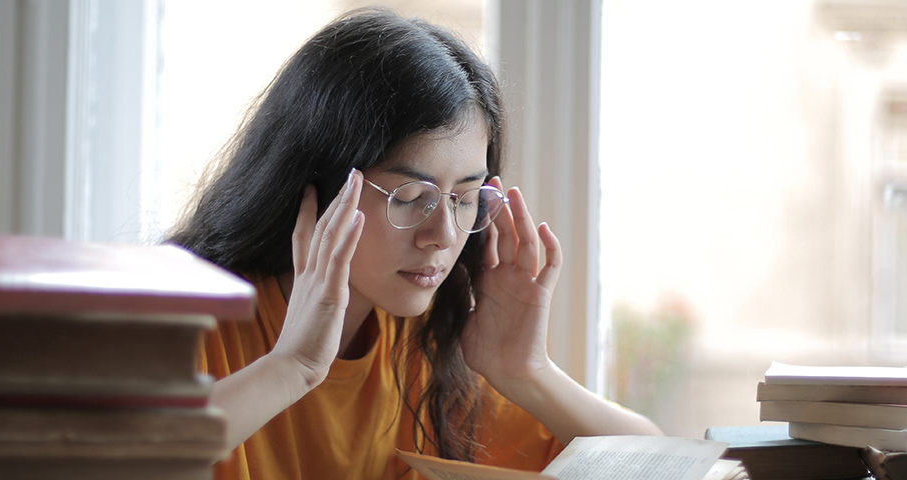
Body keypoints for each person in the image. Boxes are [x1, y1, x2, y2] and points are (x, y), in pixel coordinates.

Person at [169, 8, 662, 480]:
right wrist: (291, 368)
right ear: (315, 183)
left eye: (465, 197)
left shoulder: (420, 344)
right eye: (409, 197)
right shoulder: (187, 322)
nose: (443, 237)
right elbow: (104, 462)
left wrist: (527, 372)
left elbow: (661, 467)